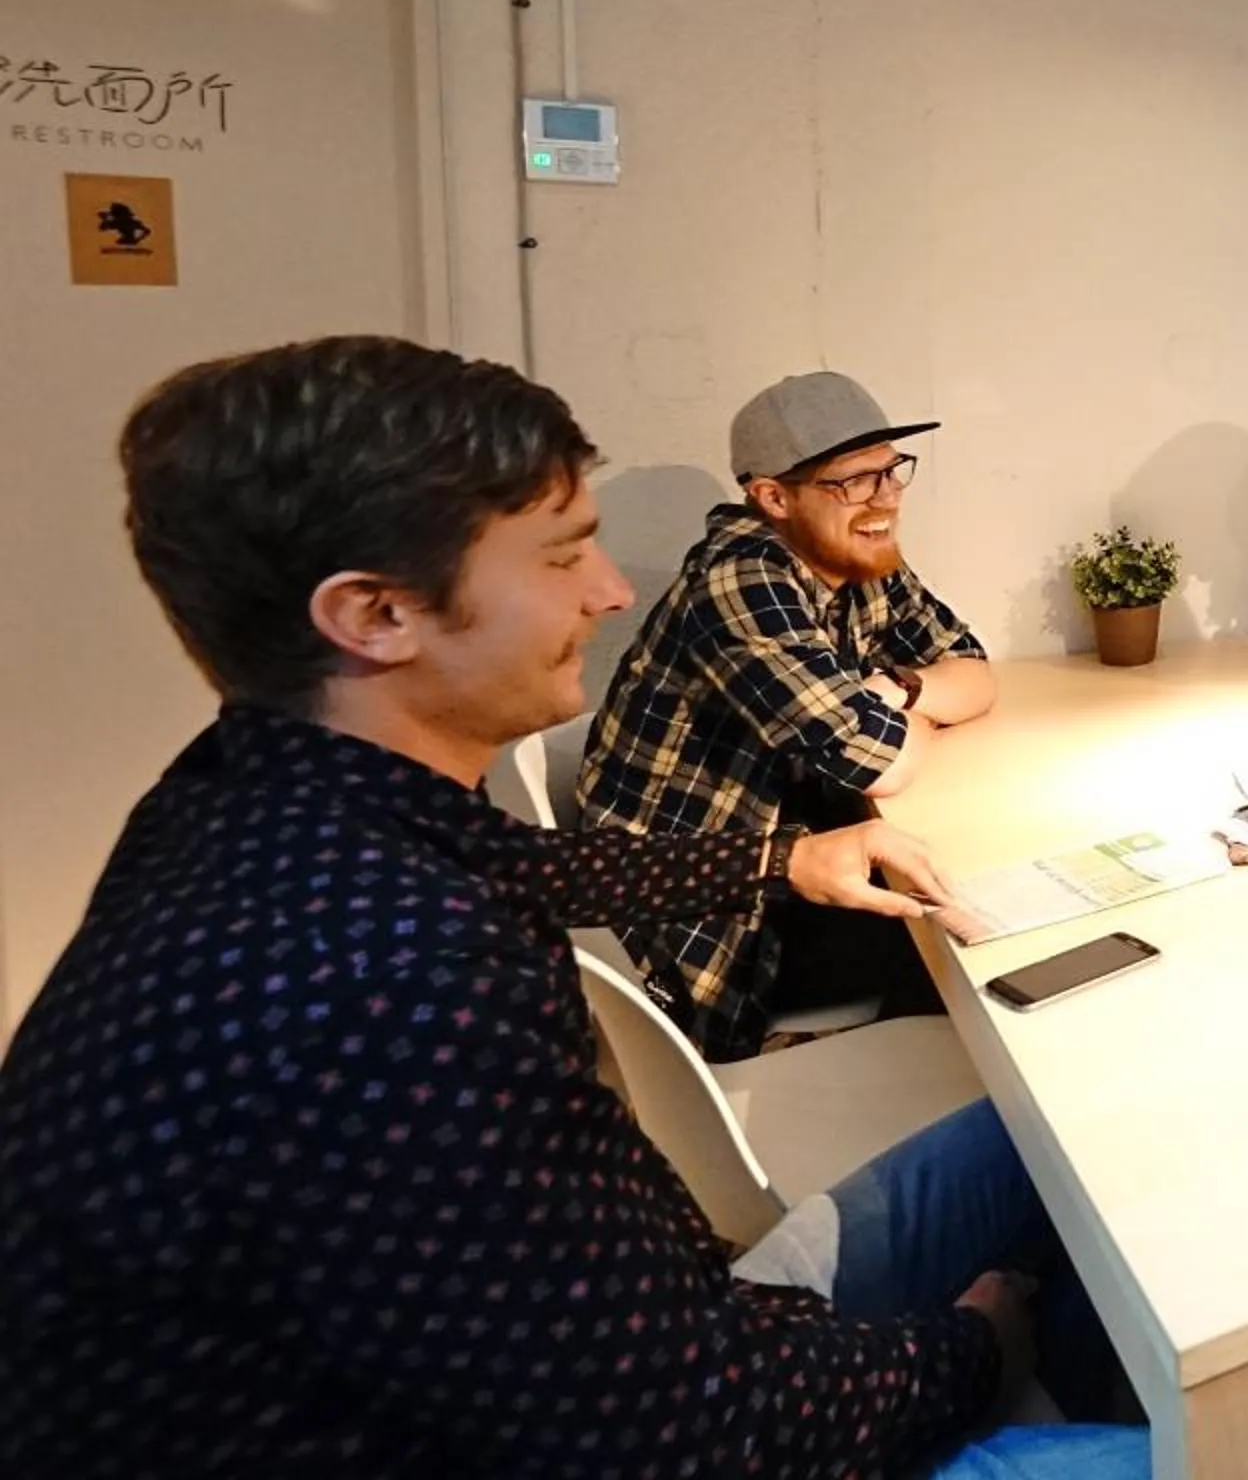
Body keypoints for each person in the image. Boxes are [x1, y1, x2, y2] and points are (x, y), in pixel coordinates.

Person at [0, 336, 1093, 1475]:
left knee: (1062, 1122)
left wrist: (783, 860)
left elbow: (533, 868)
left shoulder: (261, 792)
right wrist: (970, 1348)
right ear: (375, 614)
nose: (615, 590)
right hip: (687, 1411)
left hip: (659, 1335)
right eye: (566, 555)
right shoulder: (383, 983)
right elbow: (691, 1430)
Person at [580, 371, 996, 1061]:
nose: (885, 499)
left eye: (892, 473)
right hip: (712, 918)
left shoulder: (859, 554)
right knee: (962, 939)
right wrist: (899, 719)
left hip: (789, 858)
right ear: (772, 497)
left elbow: (975, 673)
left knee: (967, 900)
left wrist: (895, 689)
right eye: (853, 482)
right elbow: (882, 764)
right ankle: (871, 1109)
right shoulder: (742, 576)